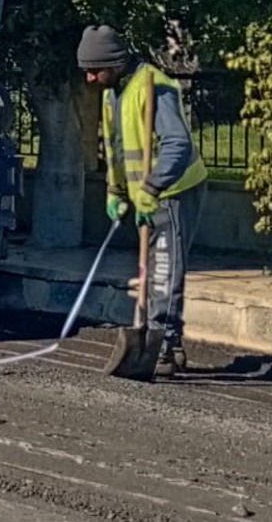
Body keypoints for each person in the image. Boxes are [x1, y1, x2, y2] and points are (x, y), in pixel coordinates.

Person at [78, 24, 209, 378]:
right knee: (153, 272)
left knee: (165, 272)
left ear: (116, 62)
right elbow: (117, 150)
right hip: (147, 196)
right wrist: (116, 192)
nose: (90, 78)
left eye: (95, 70)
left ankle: (163, 348)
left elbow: (178, 145)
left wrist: (151, 189)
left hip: (174, 192)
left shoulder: (155, 87)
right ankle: (171, 344)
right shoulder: (113, 93)